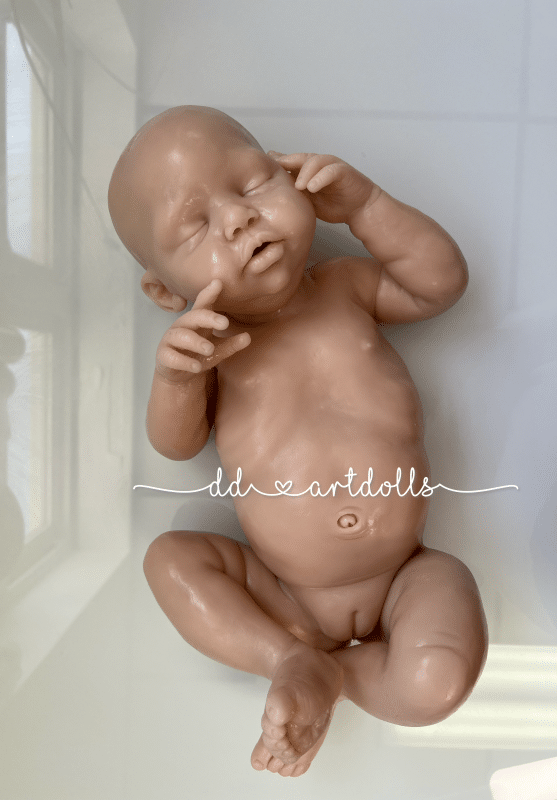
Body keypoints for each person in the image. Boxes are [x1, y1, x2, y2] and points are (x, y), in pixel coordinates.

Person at [108, 106, 487, 778]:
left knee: (437, 684)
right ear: (165, 290)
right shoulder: (214, 351)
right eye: (195, 227)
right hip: (283, 594)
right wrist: (176, 378)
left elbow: (440, 284)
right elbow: (177, 445)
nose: (238, 217)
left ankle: (328, 675)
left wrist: (367, 205)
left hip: (407, 572)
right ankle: (285, 657)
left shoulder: (346, 287)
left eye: (253, 184)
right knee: (170, 560)